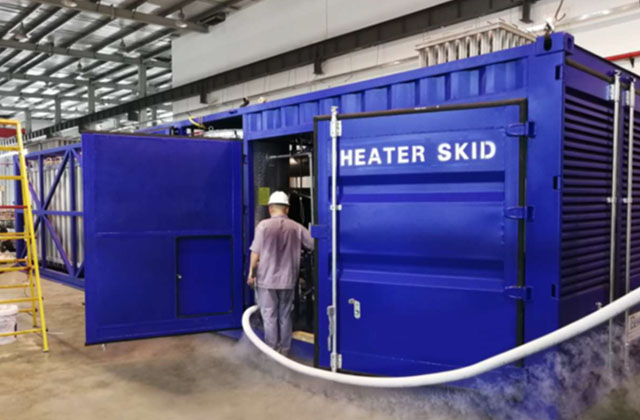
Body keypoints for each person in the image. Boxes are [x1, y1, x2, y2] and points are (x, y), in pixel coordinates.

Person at [247, 191, 314, 355]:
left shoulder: (263, 226)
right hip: (288, 280)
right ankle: (285, 350)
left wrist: (251, 273)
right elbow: (313, 245)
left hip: (266, 280)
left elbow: (255, 253)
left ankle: (272, 352)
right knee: (285, 315)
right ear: (287, 209)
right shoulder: (297, 228)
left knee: (269, 315)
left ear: (270, 208)